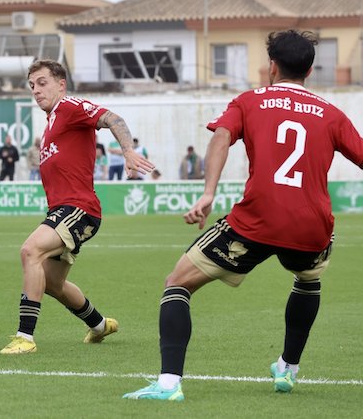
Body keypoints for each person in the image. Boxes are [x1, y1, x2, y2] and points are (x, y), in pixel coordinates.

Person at [123, 30, 363, 401]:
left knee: (177, 284)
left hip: (257, 219)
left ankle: (169, 384)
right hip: (312, 225)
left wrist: (208, 194)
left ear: (271, 67)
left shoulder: (250, 101)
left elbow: (221, 136)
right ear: (310, 70)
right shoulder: (332, 114)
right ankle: (288, 367)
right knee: (307, 280)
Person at [0, 59, 154, 355]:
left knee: (30, 251)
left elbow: (112, 118)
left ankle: (25, 338)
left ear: (61, 84)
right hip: (64, 210)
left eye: (42, 83)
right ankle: (99, 325)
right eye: (32, 85)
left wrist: (127, 150)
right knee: (52, 283)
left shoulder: (69, 106)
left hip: (78, 209)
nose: (36, 90)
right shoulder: (51, 123)